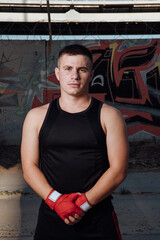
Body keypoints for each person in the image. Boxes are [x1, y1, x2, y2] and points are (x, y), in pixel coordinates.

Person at [21, 44, 129, 240]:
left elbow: (118, 170)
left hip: (97, 217)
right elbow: (29, 167)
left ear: (91, 74)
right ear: (57, 73)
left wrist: (83, 204)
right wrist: (57, 201)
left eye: (82, 69)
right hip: (51, 216)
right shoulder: (36, 116)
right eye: (68, 69)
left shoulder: (109, 116)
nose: (75, 76)